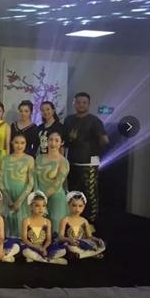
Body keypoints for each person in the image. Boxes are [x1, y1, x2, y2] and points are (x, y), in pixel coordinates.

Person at [64, 92, 109, 224]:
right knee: (73, 193)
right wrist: (70, 139)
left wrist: (94, 148)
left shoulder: (95, 121)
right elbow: (64, 141)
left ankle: (91, 223)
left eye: (84, 103)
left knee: (90, 194)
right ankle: (74, 221)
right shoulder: (68, 120)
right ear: (74, 104)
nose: (81, 105)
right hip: (72, 162)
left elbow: (105, 140)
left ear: (89, 104)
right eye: (78, 102)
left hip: (88, 164)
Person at [0, 134, 34, 238]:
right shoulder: (5, 159)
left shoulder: (29, 159)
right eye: (17, 143)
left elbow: (31, 182)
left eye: (22, 143)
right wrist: (7, 198)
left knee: (22, 227)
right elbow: (0, 180)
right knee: (7, 227)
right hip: (7, 195)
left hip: (22, 196)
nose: (19, 146)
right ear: (12, 143)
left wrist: (20, 200)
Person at [34, 132, 69, 234]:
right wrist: (37, 195)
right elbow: (34, 178)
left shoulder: (63, 162)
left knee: (55, 230)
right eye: (51, 140)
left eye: (56, 141)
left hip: (55, 198)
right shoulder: (39, 158)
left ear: (61, 143)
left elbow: (57, 184)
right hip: (38, 197)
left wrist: (42, 198)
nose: (53, 143)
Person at [21, 191, 67, 265]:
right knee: (25, 252)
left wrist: (44, 248)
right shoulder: (26, 221)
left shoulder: (47, 222)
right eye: (37, 206)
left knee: (63, 250)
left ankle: (37, 258)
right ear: (31, 207)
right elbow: (24, 239)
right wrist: (35, 246)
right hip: (31, 246)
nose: (41, 208)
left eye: (43, 206)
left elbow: (48, 239)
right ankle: (48, 260)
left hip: (44, 246)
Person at [58, 191, 106, 259]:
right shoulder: (65, 220)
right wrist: (69, 240)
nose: (77, 209)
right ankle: (90, 254)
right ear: (68, 205)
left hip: (83, 243)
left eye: (80, 206)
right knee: (71, 248)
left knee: (102, 246)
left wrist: (97, 239)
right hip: (71, 244)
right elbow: (60, 237)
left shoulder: (84, 221)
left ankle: (82, 255)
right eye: (74, 205)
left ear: (84, 206)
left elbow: (89, 236)